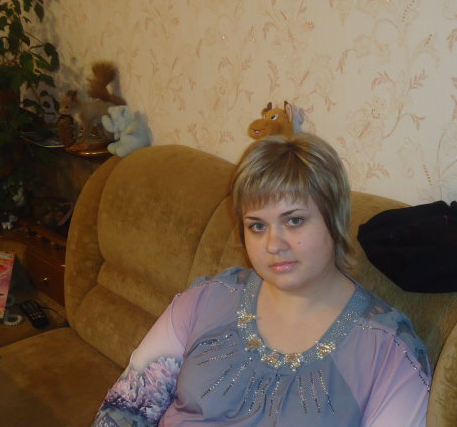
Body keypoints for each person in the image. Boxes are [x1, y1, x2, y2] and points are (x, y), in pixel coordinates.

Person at [93, 133, 431, 426]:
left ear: (335, 220)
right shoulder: (206, 299)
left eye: (294, 221)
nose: (273, 245)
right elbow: (124, 410)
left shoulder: (388, 351)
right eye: (257, 226)